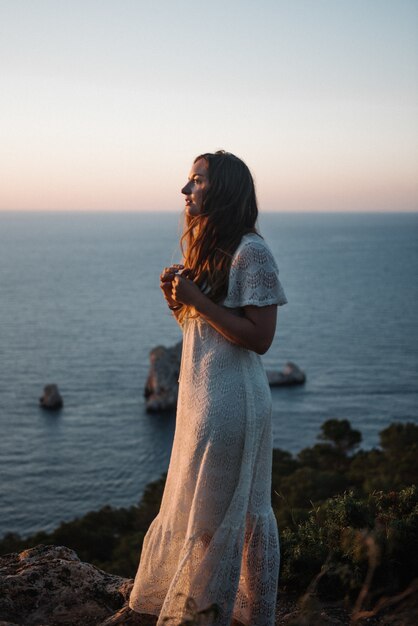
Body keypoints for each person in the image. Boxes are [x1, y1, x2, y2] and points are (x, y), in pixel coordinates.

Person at [129, 151, 287, 626]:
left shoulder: (251, 252)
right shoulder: (210, 248)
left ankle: (212, 615)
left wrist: (197, 298)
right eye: (190, 179)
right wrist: (177, 302)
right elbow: (205, 332)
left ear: (223, 191)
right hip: (201, 401)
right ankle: (207, 612)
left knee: (219, 519)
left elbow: (259, 338)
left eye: (196, 180)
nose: (185, 189)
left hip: (233, 404)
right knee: (202, 515)